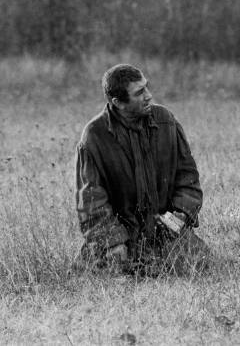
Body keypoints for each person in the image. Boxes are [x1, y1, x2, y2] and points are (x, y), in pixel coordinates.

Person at [74, 64, 209, 275]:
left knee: (198, 265)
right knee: (102, 276)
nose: (149, 96)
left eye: (146, 87)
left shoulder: (166, 121)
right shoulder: (94, 135)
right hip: (120, 235)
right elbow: (91, 200)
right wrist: (112, 241)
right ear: (117, 103)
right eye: (139, 92)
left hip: (165, 231)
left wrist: (180, 215)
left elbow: (188, 177)